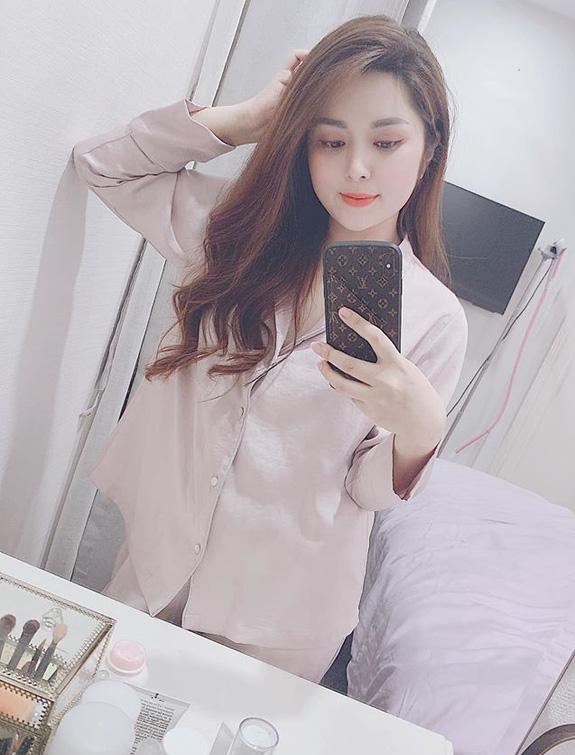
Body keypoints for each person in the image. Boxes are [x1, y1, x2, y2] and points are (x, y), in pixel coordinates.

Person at [72, 14, 468, 683]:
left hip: (278, 621)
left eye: (386, 141)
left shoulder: (433, 319)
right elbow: (104, 167)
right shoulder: (234, 232)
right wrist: (246, 119)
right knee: (98, 717)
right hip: (159, 566)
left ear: (429, 148)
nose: (357, 168)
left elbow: (366, 488)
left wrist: (420, 432)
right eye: (330, 140)